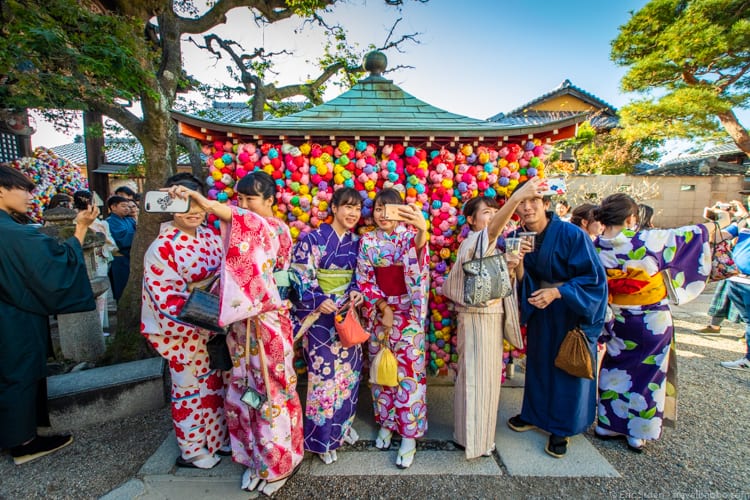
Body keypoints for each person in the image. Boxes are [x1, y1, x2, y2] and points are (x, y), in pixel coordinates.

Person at [168, 170, 302, 497]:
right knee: (243, 387)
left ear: (271, 200)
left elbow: (246, 227)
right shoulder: (250, 225)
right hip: (242, 324)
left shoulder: (274, 228)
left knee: (272, 391)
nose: (242, 205)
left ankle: (279, 463)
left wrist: (205, 203)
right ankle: (255, 459)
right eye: (239, 199)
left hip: (268, 323)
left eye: (250, 198)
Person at [593, 193, 718, 452]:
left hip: (617, 316)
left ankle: (607, 423)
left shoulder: (595, 246)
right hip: (651, 317)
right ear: (631, 218)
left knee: (615, 366)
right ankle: (637, 433)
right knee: (649, 373)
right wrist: (718, 222)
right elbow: (695, 234)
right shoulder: (647, 239)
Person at [0, 164, 99, 465]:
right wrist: (80, 228)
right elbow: (56, 262)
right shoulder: (11, 233)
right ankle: (23, 442)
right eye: (24, 189)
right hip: (12, 317)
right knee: (19, 374)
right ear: (1, 190)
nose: (31, 196)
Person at [442, 177, 544, 460]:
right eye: (486, 213)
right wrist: (516, 199)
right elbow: (495, 229)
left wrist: (512, 265)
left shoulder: (491, 245)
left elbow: (508, 283)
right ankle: (478, 441)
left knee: (479, 380)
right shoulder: (476, 240)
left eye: (493, 211)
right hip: (479, 318)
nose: (493, 218)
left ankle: (467, 435)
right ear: (472, 221)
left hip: (487, 317)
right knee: (478, 380)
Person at [505, 181, 608, 459]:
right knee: (538, 364)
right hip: (539, 306)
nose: (527, 207)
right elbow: (521, 280)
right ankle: (534, 414)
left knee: (567, 366)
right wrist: (520, 263)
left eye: (534, 201)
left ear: (546, 204)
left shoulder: (572, 234)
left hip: (569, 307)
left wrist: (559, 292)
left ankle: (562, 427)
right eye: (522, 202)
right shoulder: (516, 236)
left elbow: (594, 279)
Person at [141, 174, 228, 469]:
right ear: (170, 205)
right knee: (189, 390)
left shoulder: (211, 237)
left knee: (216, 385)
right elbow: (164, 299)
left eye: (198, 204)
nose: (194, 211)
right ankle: (192, 449)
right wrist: (204, 304)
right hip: (186, 332)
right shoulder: (161, 248)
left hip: (214, 326)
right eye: (184, 203)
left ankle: (217, 439)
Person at [289, 187, 364, 465]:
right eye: (347, 206)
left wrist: (358, 291)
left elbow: (363, 275)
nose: (352, 213)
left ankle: (340, 430)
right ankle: (321, 439)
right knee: (324, 379)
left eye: (357, 208)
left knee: (349, 377)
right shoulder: (312, 240)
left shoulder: (358, 243)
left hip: (348, 317)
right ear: (333, 208)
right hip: (320, 322)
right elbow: (300, 277)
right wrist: (318, 298)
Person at [356, 187, 429, 469]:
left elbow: (419, 257)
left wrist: (422, 229)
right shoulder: (367, 241)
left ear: (400, 211)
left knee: (409, 373)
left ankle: (409, 434)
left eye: (389, 208)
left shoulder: (409, 235)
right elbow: (364, 279)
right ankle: (386, 422)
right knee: (381, 371)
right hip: (379, 313)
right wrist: (383, 308)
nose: (383, 214)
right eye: (377, 208)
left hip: (408, 314)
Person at [73, 190, 117, 329]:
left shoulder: (74, 220)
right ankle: (99, 325)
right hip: (99, 257)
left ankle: (95, 325)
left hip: (85, 258)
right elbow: (111, 243)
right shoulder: (99, 223)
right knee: (100, 290)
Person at [719, 196, 750, 370]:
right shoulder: (743, 224)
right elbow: (719, 236)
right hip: (737, 279)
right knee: (748, 321)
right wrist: (720, 218)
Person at [106, 195, 136, 301]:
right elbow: (121, 239)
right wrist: (138, 233)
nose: (127, 209)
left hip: (131, 257)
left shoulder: (130, 220)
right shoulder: (110, 221)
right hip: (120, 258)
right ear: (113, 207)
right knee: (122, 289)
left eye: (128, 206)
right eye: (123, 206)